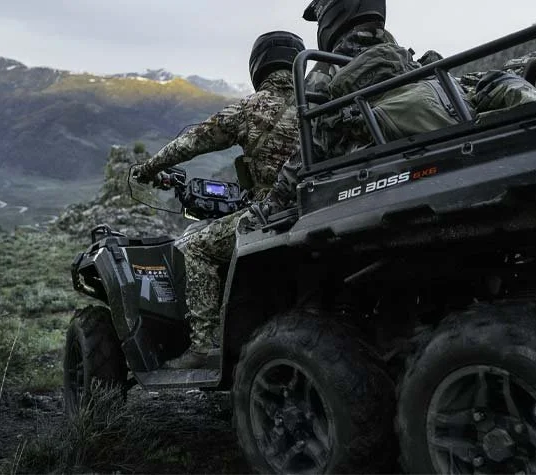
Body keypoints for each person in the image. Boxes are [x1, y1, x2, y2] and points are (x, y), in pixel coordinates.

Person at [130, 31, 305, 369]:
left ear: (259, 65)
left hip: (273, 214)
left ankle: (202, 347)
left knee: (194, 246)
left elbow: (191, 142)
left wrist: (149, 168)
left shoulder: (251, 107)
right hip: (320, 207)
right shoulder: (318, 103)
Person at [247, 0, 392, 226]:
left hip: (352, 183)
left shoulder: (325, 71)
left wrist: (273, 201)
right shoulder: (400, 56)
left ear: (334, 14)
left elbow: (310, 148)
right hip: (401, 166)